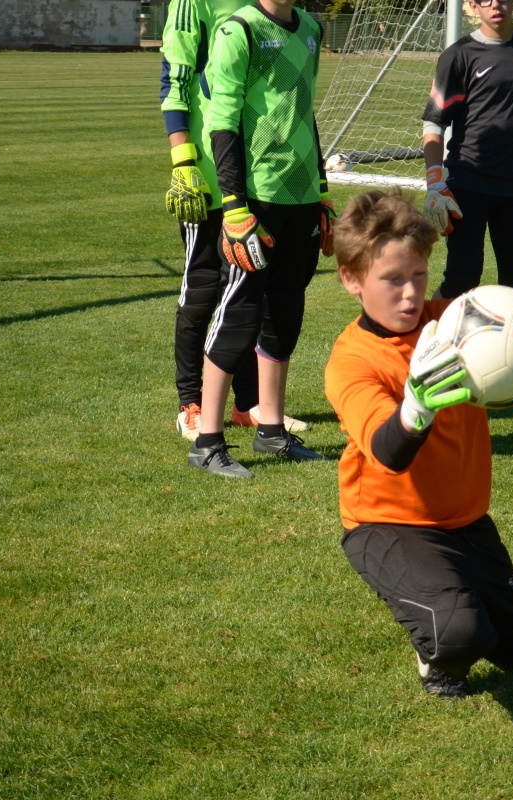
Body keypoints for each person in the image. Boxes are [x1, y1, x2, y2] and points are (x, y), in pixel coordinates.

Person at [324, 192, 513, 699]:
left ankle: (474, 606)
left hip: (464, 518)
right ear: (351, 279)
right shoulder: (352, 361)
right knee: (460, 637)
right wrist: (416, 406)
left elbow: (508, 388)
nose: (411, 293)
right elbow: (389, 451)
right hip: (386, 523)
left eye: (418, 274)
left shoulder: (455, 322)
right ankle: (435, 655)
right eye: (392, 279)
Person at [185, 0, 336, 477]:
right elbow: (222, 123)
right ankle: (207, 440)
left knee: (287, 308)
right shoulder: (239, 31)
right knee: (240, 310)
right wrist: (232, 206)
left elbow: (303, 111)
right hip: (256, 196)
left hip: (302, 194)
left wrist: (324, 191)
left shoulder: (310, 27)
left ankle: (270, 429)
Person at [159, 0, 310, 443]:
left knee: (251, 291)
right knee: (204, 286)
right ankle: (192, 402)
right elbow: (176, 79)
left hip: (256, 178)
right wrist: (182, 159)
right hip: (209, 174)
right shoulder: (195, 3)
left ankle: (248, 403)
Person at [420, 0, 513, 301]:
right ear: (472, 6)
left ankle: (510, 349)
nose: (495, 4)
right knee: (462, 278)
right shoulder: (459, 55)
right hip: (467, 184)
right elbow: (434, 123)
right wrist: (435, 182)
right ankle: (426, 341)